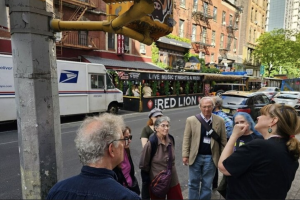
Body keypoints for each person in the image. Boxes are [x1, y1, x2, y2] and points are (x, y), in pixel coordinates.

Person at [47, 113, 141, 200]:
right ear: (111, 149)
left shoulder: (57, 191)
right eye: (122, 139)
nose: (124, 144)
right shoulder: (127, 197)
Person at [218, 104, 300, 199]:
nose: (258, 117)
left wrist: (234, 136)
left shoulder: (260, 146)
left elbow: (223, 167)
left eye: (262, 114)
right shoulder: (289, 148)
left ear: (273, 121)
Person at [182, 97, 227, 200]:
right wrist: (185, 155)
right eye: (204, 107)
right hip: (195, 157)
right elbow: (186, 138)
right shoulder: (191, 120)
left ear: (213, 107)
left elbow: (223, 141)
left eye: (209, 107)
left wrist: (223, 157)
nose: (206, 109)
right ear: (200, 107)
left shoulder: (219, 121)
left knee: (207, 184)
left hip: (211, 158)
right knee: (193, 183)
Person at [218, 112, 263, 198]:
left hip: (247, 181)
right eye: (236, 123)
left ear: (249, 122)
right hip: (232, 179)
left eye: (242, 122)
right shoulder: (234, 137)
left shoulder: (257, 138)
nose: (239, 125)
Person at [140, 116, 183, 200]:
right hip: (158, 181)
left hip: (172, 177)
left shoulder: (171, 139)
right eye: (163, 126)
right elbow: (144, 164)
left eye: (167, 126)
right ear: (156, 128)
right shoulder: (151, 143)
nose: (166, 128)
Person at [140, 108, 163, 199]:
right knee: (146, 184)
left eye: (160, 116)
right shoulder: (146, 130)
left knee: (159, 185)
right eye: (156, 116)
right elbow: (145, 146)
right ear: (151, 118)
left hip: (160, 163)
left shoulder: (163, 128)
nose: (159, 118)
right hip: (149, 162)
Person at [212, 96, 233, 189]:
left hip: (216, 145)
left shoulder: (221, 116)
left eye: (211, 102)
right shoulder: (210, 114)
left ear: (217, 105)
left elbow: (229, 128)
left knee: (214, 163)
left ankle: (214, 185)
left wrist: (220, 138)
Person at [113, 126, 140, 195]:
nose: (129, 141)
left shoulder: (126, 151)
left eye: (130, 137)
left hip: (131, 189)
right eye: (126, 138)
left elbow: (130, 172)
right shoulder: (113, 157)